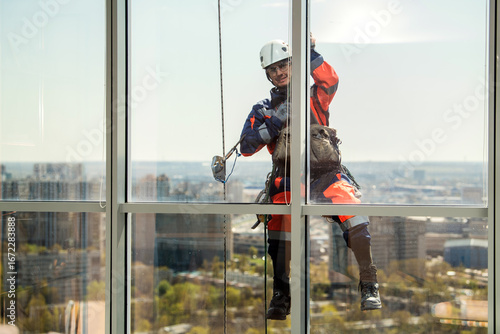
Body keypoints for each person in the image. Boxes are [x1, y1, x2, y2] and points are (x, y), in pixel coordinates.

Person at [239, 36, 381, 320]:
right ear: (267, 74)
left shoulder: (314, 98)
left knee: (352, 211)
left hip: (325, 175)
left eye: (283, 66)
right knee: (279, 230)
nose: (279, 72)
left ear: (293, 64)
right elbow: (246, 146)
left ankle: (369, 282)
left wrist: (311, 52)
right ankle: (281, 293)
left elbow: (330, 81)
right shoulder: (263, 109)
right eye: (272, 69)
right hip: (288, 179)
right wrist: (275, 122)